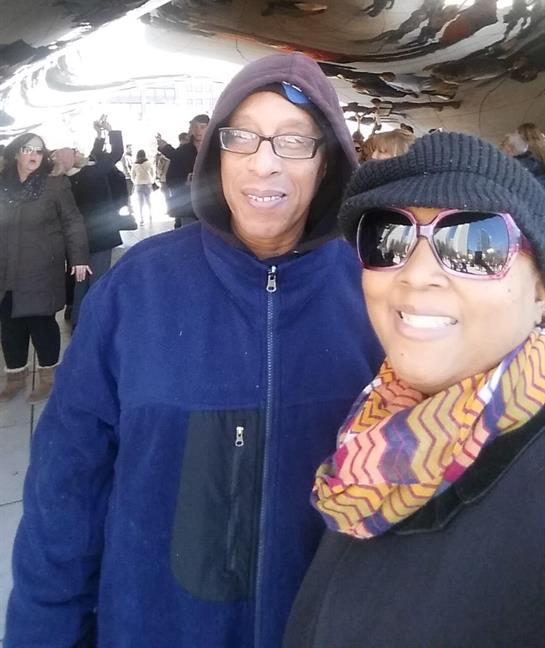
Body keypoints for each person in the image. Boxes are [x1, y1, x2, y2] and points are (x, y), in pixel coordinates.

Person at [5, 52, 382, 648]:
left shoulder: (377, 293)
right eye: (243, 138)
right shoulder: (136, 291)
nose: (264, 165)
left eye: (293, 142)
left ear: (328, 159)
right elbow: (65, 493)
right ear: (216, 155)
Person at [283, 131, 545, 648]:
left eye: (475, 243)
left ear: (540, 289)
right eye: (390, 237)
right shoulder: (372, 436)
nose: (417, 274)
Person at [0, 134, 90, 404]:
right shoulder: (3, 184)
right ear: (16, 153)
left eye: (39, 151)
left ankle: (49, 377)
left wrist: (79, 258)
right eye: (28, 149)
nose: (34, 155)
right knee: (9, 324)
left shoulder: (55, 184)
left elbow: (72, 222)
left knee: (41, 323)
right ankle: (15, 376)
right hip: (5, 268)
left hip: (40, 267)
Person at [68, 120, 125, 327]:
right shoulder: (90, 174)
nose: (78, 151)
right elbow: (116, 153)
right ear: (72, 160)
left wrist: (99, 136)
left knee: (81, 279)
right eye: (74, 151)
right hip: (99, 235)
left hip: (78, 237)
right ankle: (92, 323)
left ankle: (77, 318)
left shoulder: (71, 178)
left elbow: (93, 154)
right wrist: (112, 131)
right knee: (98, 278)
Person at [157, 115, 210, 229]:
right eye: (195, 127)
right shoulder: (183, 150)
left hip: (212, 203)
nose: (198, 131)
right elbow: (172, 176)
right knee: (189, 236)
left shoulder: (216, 149)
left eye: (202, 127)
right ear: (190, 128)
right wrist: (184, 182)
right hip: (188, 203)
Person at [131, 149, 155, 225]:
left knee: (140, 202)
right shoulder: (149, 163)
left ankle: (141, 218)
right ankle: (150, 215)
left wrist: (135, 181)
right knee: (149, 200)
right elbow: (153, 173)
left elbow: (132, 175)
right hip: (148, 183)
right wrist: (152, 180)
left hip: (138, 184)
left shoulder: (134, 165)